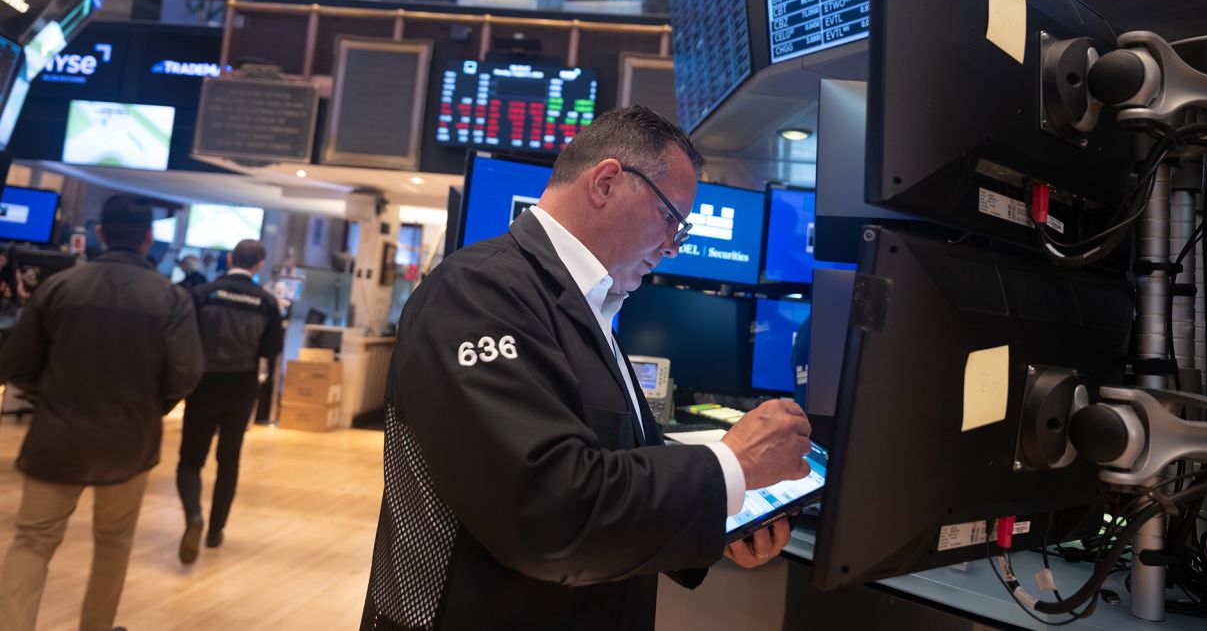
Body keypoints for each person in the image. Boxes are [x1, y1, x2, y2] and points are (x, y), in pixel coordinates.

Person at [362, 106, 813, 631]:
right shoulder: (477, 293)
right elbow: (548, 512)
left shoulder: (589, 307)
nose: (672, 246)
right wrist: (730, 465)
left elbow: (614, 469)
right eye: (672, 218)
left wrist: (720, 517)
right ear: (606, 182)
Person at [0, 194, 204, 631]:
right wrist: (152, 407)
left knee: (32, 542)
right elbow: (186, 374)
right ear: (149, 238)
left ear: (98, 234)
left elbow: (15, 364)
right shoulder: (170, 298)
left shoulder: (59, 288)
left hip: (56, 437)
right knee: (113, 542)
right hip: (129, 441)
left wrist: (54, 395)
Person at [176, 239, 283, 564]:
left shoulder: (203, 293)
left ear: (230, 258)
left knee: (191, 461)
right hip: (242, 386)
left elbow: (184, 338)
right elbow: (271, 349)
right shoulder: (265, 301)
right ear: (259, 265)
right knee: (229, 459)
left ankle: (194, 515)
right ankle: (215, 531)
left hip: (203, 384)